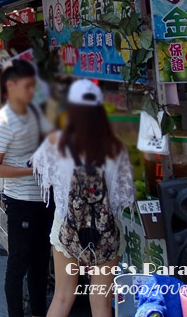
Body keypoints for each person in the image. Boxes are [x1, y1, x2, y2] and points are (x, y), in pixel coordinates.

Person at [33, 79, 135, 317]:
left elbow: (41, 174)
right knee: (101, 302)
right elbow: (125, 196)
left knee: (62, 297)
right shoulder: (116, 147)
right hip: (106, 229)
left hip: (66, 226)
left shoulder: (54, 143)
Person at [0, 59, 54, 317]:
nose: (31, 92)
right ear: (11, 86)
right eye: (27, 87)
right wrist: (33, 170)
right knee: (18, 265)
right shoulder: (2, 122)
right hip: (22, 202)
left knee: (40, 263)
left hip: (46, 200)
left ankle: (38, 312)